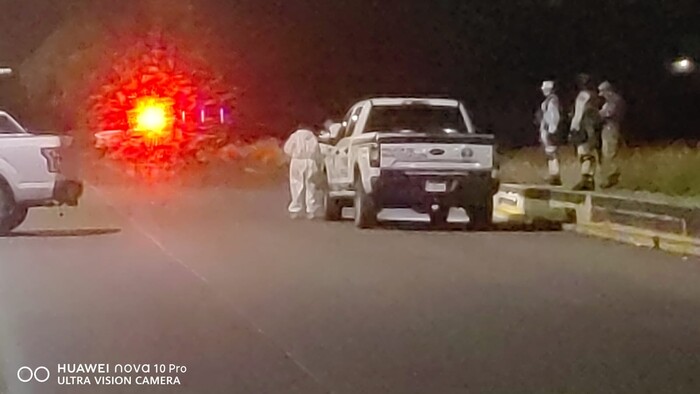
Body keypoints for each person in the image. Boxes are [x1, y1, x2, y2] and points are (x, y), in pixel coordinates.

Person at [569, 73, 602, 191]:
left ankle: (586, 179)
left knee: (584, 152)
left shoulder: (583, 96)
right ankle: (589, 178)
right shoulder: (595, 96)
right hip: (593, 125)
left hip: (585, 125)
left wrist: (574, 126)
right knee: (589, 152)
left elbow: (579, 113)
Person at [283, 125, 323, 219]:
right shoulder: (312, 137)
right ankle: (311, 210)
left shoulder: (295, 136)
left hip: (297, 161)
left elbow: (287, 149)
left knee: (296, 184)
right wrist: (318, 162)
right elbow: (317, 151)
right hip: (310, 161)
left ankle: (295, 209)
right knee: (311, 185)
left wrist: (292, 155)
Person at [597, 81, 625, 189]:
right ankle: (610, 177)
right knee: (607, 152)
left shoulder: (614, 101)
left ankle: (612, 176)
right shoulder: (612, 100)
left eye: (602, 92)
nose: (601, 95)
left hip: (611, 127)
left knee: (609, 152)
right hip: (609, 127)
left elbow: (607, 113)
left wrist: (599, 115)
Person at [537, 80, 563, 186]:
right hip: (546, 129)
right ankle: (553, 174)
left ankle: (555, 175)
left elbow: (554, 116)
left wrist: (552, 129)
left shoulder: (552, 101)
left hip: (549, 130)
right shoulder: (549, 100)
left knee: (552, 153)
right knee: (549, 154)